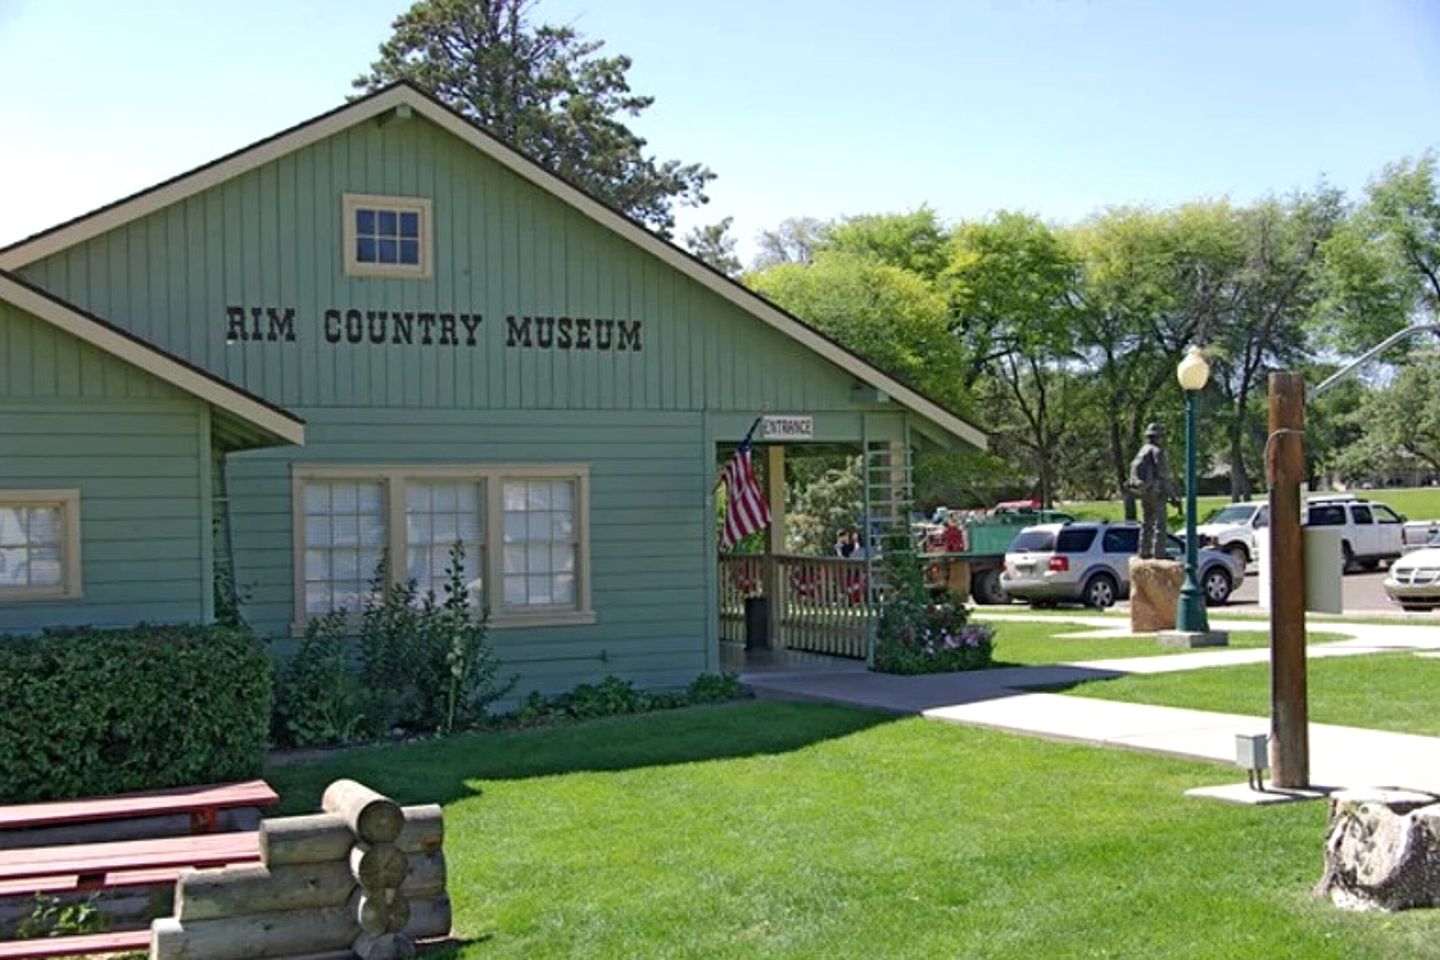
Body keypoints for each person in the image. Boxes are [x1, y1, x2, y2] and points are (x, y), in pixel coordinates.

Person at [1128, 423, 1181, 559]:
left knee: (1146, 523)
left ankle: (1144, 551)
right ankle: (1159, 552)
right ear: (1158, 437)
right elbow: (1163, 476)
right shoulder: (1158, 452)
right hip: (1156, 491)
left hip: (1144, 491)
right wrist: (1174, 496)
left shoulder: (1142, 451)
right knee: (1160, 523)